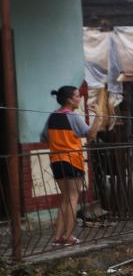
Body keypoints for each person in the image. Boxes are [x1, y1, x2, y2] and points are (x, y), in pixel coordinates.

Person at [41, 86, 99, 245]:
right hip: (72, 160)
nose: (80, 99)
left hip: (56, 161)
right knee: (73, 198)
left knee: (65, 199)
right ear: (69, 100)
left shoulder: (52, 116)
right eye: (77, 96)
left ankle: (57, 237)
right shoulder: (73, 116)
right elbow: (90, 134)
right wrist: (98, 116)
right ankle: (68, 236)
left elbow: (44, 137)